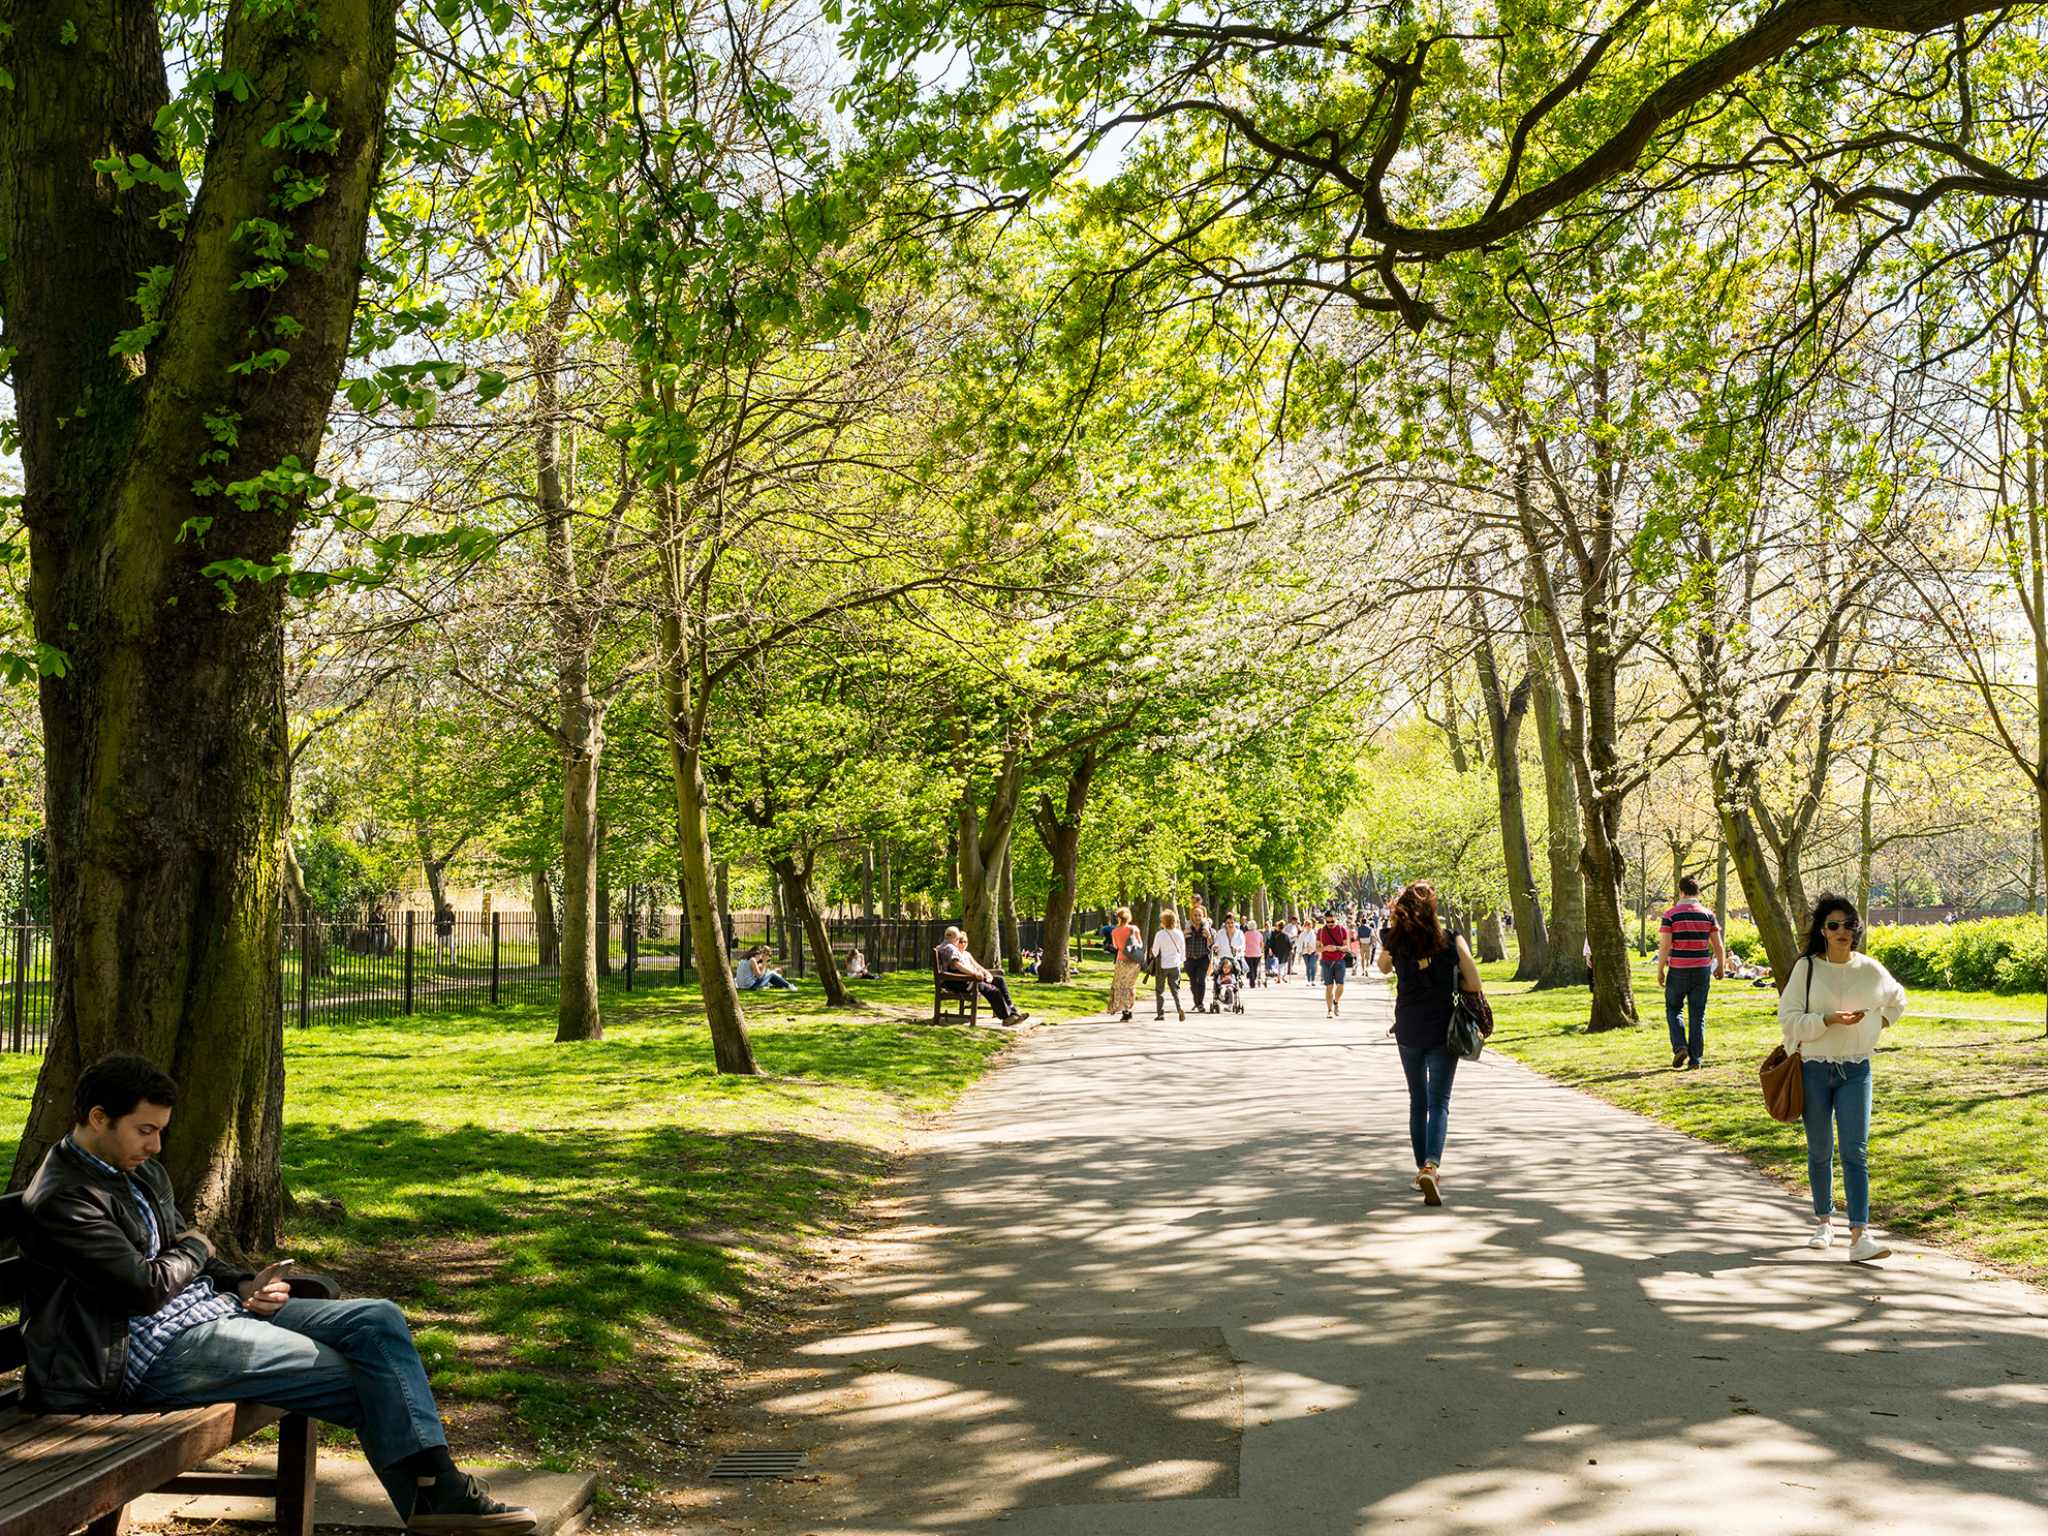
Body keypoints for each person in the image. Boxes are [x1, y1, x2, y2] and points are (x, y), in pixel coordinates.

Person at [18, 1055, 535, 1535]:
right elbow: (143, 1287)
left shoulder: (138, 1171)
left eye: (159, 1132)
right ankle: (441, 1502)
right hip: (142, 1359)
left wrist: (242, 1283)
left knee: (377, 1318)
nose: (156, 1146)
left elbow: (179, 1251)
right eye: (145, 1131)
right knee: (372, 1379)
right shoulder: (65, 1198)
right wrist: (198, 1247)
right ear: (99, 1117)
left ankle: (438, 1498)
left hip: (206, 1315)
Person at [1778, 895, 1907, 1264]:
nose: (1841, 932)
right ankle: (1824, 1222)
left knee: (1856, 1151)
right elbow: (1787, 1019)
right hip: (1813, 1068)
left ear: (1857, 929)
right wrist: (1830, 1021)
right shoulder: (1807, 968)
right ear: (1822, 930)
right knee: (1820, 1150)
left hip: (1856, 1070)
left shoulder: (1870, 969)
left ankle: (1860, 1236)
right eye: (1833, 925)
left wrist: (1877, 1024)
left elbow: (1898, 999)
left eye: (1848, 925)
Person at [1376, 882, 1484, 1207]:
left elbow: (1382, 968)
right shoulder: (1450, 939)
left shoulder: (1394, 939)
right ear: (1433, 908)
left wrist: (1397, 937)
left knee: (1416, 1101)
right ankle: (1431, 1166)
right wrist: (1451, 978)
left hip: (1408, 1027)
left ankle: (1420, 1168)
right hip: (1442, 1029)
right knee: (1439, 1102)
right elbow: (1475, 982)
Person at [1657, 875, 1727, 1069]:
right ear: (1698, 893)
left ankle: (1680, 1047)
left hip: (1678, 969)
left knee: (1673, 1009)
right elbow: (1718, 945)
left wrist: (1660, 969)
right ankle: (1695, 1059)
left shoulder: (1671, 915)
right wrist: (1720, 965)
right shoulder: (1708, 915)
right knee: (1697, 1014)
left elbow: (1664, 946)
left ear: (1680, 891)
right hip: (1701, 970)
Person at [936, 927, 1031, 1025]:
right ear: (957, 939)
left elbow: (966, 966)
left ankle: (1012, 1011)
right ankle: (1007, 1017)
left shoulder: (942, 947)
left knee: (998, 981)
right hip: (959, 982)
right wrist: (973, 974)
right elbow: (957, 965)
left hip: (959, 980)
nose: (963, 943)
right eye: (961, 941)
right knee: (994, 990)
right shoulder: (951, 948)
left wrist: (984, 974)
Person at [1151, 908, 1188, 1022]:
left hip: (1163, 965)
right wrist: (1181, 961)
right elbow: (1182, 951)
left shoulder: (1160, 934)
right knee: (1175, 988)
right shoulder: (1179, 934)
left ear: (1164, 921)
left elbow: (1155, 952)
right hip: (1175, 964)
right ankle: (1180, 1007)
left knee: (1160, 990)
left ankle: (1160, 1013)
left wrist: (1152, 951)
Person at [1107, 906, 1141, 1021]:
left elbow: (1116, 946)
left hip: (1121, 960)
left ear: (1119, 918)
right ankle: (1130, 1008)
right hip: (1133, 961)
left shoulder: (1115, 931)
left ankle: (1125, 1011)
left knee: (1120, 985)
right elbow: (1140, 944)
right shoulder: (1134, 929)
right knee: (1130, 985)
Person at [1316, 910, 1351, 1017]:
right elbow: (1317, 948)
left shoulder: (1341, 929)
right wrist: (1325, 948)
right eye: (1328, 922)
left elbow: (1347, 946)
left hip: (1339, 960)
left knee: (1340, 986)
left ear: (1336, 918)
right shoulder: (1321, 931)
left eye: (1332, 921)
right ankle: (1329, 1010)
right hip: (1326, 961)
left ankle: (1336, 1002)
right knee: (1329, 986)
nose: (1330, 924)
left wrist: (1337, 948)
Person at [1184, 903, 1215, 1013]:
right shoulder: (1187, 927)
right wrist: (1184, 933)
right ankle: (1196, 1002)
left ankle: (1200, 1003)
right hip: (1190, 958)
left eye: (1199, 916)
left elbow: (1211, 945)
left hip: (1203, 958)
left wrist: (1208, 935)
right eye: (1195, 915)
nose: (1197, 918)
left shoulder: (1205, 928)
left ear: (1203, 917)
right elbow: (1179, 942)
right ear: (1191, 916)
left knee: (1201, 980)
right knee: (1193, 982)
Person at [1241, 919, 1264, 987]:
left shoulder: (1246, 934)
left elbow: (1244, 943)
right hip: (1257, 953)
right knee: (1255, 967)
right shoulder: (1259, 934)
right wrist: (1261, 950)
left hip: (1248, 953)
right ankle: (1253, 978)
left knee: (1250, 967)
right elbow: (1261, 944)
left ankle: (1252, 980)